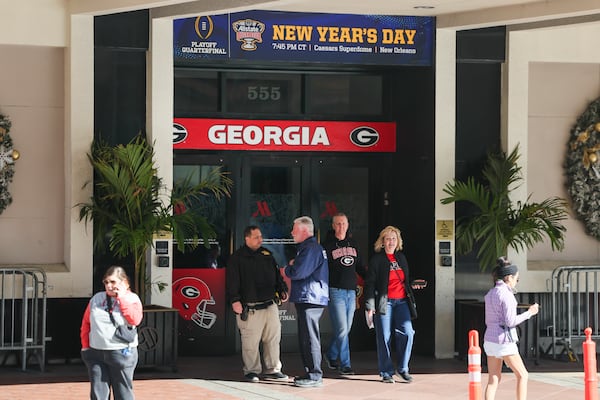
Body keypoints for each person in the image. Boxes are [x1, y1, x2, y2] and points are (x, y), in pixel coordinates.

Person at [226, 225, 289, 383]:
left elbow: (277, 277)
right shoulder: (237, 258)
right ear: (247, 238)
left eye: (261, 236)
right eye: (256, 237)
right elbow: (232, 282)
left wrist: (282, 290)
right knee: (250, 342)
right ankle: (251, 371)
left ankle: (273, 369)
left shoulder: (267, 255)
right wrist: (234, 300)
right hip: (250, 307)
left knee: (273, 339)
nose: (260, 239)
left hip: (270, 304)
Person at [364, 226, 425, 384]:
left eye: (393, 238)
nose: (391, 241)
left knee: (408, 333)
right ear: (382, 241)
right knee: (384, 336)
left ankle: (403, 368)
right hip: (385, 303)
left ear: (398, 241)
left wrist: (413, 285)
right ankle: (386, 371)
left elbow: (404, 281)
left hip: (402, 302)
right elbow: (370, 284)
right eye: (387, 238)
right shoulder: (376, 260)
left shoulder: (401, 258)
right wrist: (370, 306)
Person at [80, 266, 143, 400]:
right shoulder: (97, 299)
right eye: (106, 282)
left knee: (123, 393)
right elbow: (86, 323)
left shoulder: (132, 299)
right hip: (96, 352)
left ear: (124, 282)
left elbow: (135, 319)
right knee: (98, 394)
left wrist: (121, 298)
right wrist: (85, 346)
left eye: (113, 282)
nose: (109, 286)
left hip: (121, 352)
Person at [483, 257, 539, 400]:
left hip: (489, 339)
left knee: (493, 379)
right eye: (516, 279)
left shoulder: (490, 294)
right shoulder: (507, 295)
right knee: (522, 375)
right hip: (504, 341)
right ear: (509, 277)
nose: (516, 282)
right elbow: (511, 321)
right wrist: (529, 313)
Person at [283, 216, 329, 388]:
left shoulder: (310, 249)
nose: (292, 232)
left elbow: (298, 272)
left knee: (309, 337)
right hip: (310, 297)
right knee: (307, 337)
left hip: (310, 298)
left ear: (304, 230)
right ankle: (311, 372)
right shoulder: (310, 248)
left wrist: (289, 267)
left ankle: (315, 375)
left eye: (294, 229)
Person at [321, 212, 366, 375]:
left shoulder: (353, 244)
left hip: (351, 293)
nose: (341, 227)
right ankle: (345, 364)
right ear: (333, 226)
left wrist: (373, 280)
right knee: (342, 329)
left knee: (345, 329)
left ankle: (331, 354)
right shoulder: (327, 245)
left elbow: (360, 267)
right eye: (338, 224)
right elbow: (322, 270)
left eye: (344, 224)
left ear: (348, 226)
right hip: (335, 291)